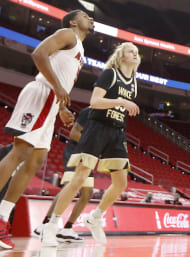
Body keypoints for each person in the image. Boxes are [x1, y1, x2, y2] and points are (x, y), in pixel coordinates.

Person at [0, 10, 93, 250]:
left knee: (35, 161)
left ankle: (2, 217)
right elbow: (39, 54)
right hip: (41, 94)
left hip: (51, 103)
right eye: (84, 15)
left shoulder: (80, 49)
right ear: (73, 21)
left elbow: (61, 75)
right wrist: (58, 88)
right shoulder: (67, 34)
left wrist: (61, 106)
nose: (90, 19)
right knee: (19, 152)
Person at [41, 42, 141, 247]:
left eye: (137, 52)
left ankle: (95, 217)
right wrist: (121, 101)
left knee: (121, 183)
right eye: (131, 51)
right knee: (78, 180)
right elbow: (95, 102)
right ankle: (51, 226)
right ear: (121, 55)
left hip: (117, 131)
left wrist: (122, 104)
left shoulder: (134, 82)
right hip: (97, 129)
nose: (135, 54)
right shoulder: (110, 74)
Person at [34, 108, 94, 242]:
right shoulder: (89, 111)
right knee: (70, 187)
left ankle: (67, 228)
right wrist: (93, 145)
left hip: (89, 154)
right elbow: (74, 133)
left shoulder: (108, 117)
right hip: (76, 150)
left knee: (87, 193)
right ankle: (45, 225)